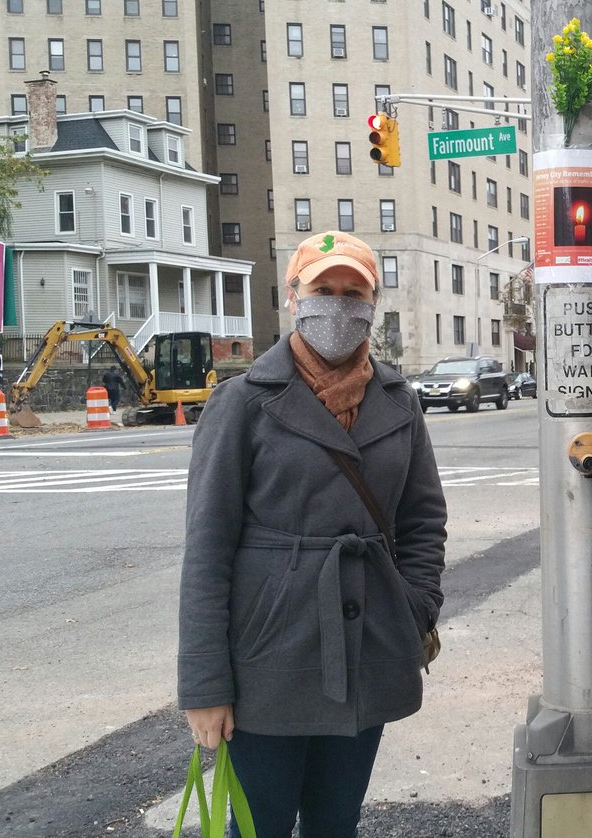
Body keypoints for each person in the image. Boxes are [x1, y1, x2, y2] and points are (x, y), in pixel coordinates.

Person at [178, 230, 447, 838]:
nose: (339, 304)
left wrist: (417, 607)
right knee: (260, 826)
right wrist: (204, 687)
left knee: (336, 824)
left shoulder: (400, 401)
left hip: (368, 647)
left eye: (355, 292)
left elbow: (423, 518)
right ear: (294, 298)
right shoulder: (241, 402)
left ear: (373, 304)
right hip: (269, 658)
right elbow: (207, 551)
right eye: (323, 289)